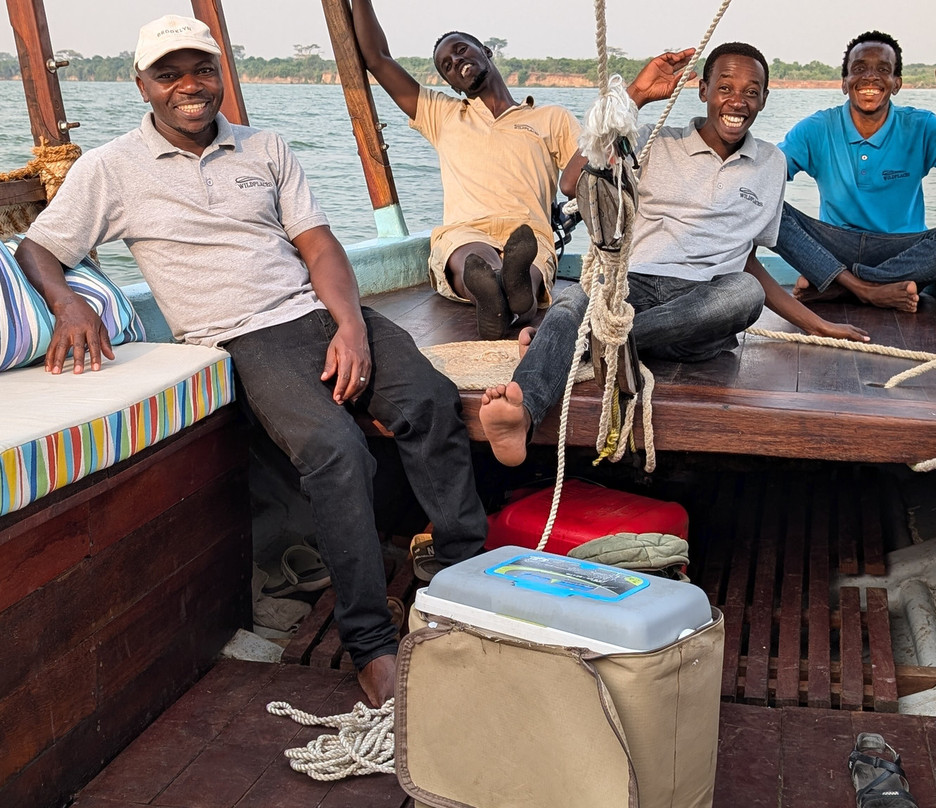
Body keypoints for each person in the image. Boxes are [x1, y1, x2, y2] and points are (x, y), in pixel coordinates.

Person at [14, 15, 487, 708]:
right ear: (141, 84)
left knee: (432, 401)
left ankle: (462, 578)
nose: (189, 86)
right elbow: (38, 248)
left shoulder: (263, 145)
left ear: (221, 75)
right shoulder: (111, 168)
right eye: (169, 74)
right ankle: (370, 642)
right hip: (242, 335)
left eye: (201, 69)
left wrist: (351, 327)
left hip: (318, 312)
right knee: (336, 450)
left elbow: (320, 246)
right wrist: (68, 304)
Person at [478, 43, 869, 467]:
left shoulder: (771, 163)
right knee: (574, 298)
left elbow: (748, 259)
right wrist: (637, 96)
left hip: (700, 314)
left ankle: (591, 345)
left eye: (751, 91)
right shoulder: (652, 141)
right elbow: (573, 183)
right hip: (636, 287)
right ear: (703, 91)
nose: (737, 100)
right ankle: (524, 413)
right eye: (724, 87)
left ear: (764, 100)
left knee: (745, 292)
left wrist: (819, 326)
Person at [352, 0, 586, 339]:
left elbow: (580, 173)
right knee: (472, 258)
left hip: (527, 233)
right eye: (447, 65)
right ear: (451, 85)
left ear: (486, 51)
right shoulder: (442, 114)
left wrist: (605, 134)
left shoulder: (551, 118)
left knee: (530, 263)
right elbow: (377, 58)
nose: (457, 61)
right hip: (468, 230)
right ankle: (497, 293)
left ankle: (511, 289)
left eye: (461, 50)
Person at [773, 31, 936, 313]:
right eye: (859, 69)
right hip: (835, 245)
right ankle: (869, 290)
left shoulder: (921, 125)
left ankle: (846, 287)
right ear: (845, 83)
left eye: (883, 70)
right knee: (763, 207)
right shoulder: (817, 127)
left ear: (896, 84)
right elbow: (766, 176)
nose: (870, 77)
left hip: (900, 248)